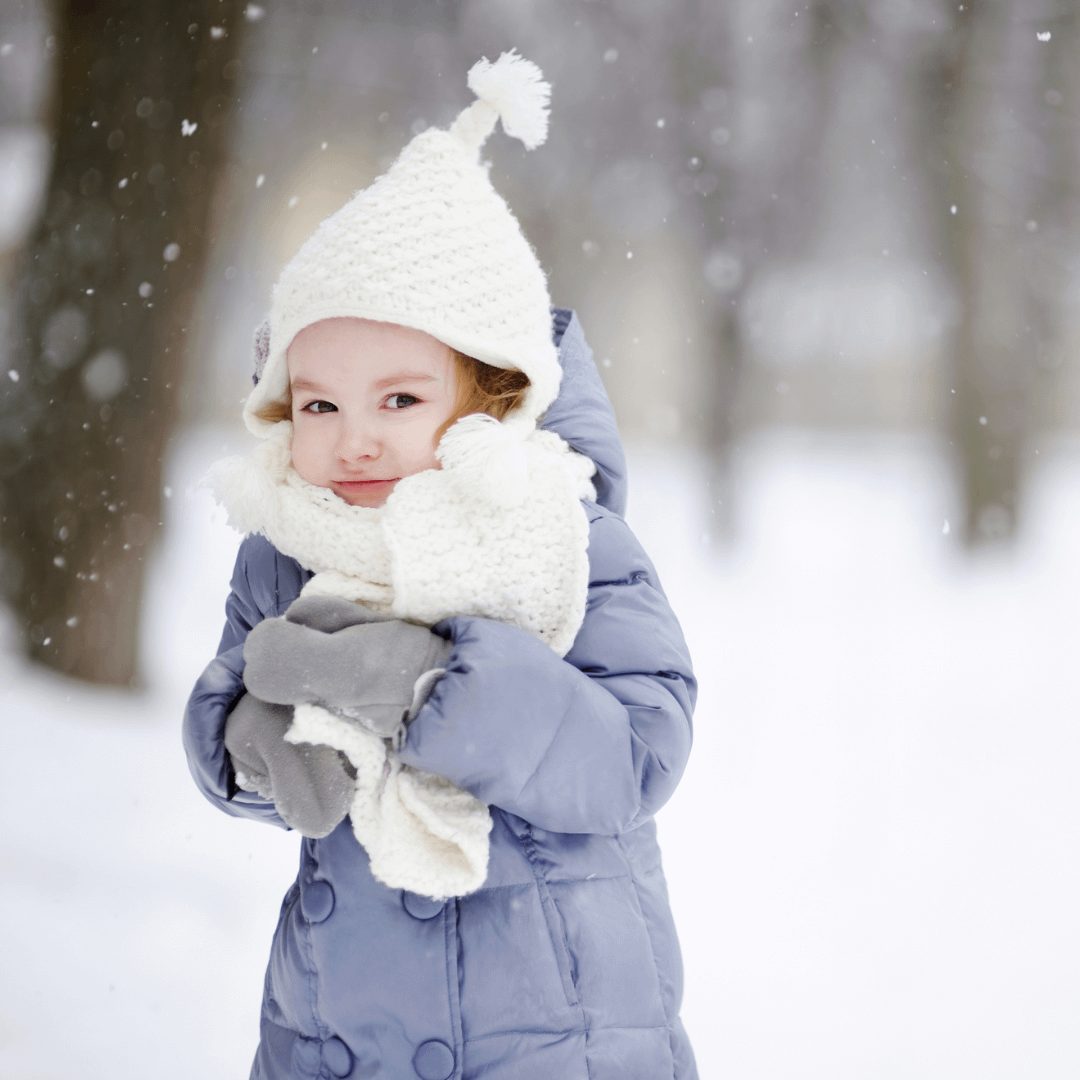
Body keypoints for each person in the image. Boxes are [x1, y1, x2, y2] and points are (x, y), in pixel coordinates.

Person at [183, 51, 698, 1080]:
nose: (354, 438)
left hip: (560, 1033)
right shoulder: (287, 549)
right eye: (320, 404)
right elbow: (231, 712)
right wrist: (260, 746)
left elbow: (641, 750)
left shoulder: (564, 535)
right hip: (339, 1030)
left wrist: (432, 687)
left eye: (399, 400)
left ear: (493, 396)